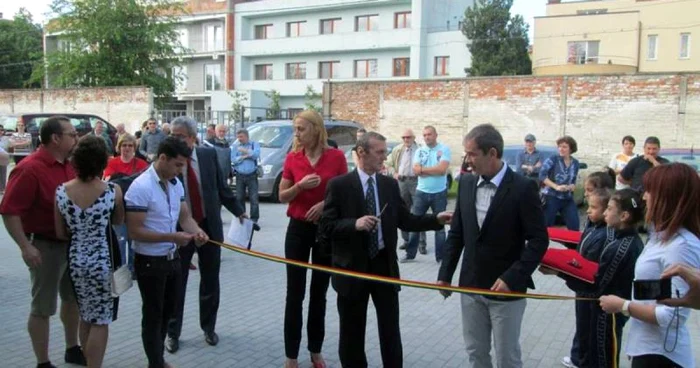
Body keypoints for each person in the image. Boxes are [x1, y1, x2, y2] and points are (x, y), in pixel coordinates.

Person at [321, 131, 450, 368]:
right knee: (351, 332)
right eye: (380, 152)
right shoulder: (339, 186)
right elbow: (326, 227)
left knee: (390, 331)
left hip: (384, 265)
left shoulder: (389, 185)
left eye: (385, 152)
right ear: (362, 153)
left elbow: (406, 220)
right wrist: (354, 224)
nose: (385, 157)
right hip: (352, 269)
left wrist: (436, 220)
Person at [437, 124, 548, 368]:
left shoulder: (522, 187)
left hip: (506, 291)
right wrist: (445, 275)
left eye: (472, 154)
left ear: (493, 153)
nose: (467, 160)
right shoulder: (465, 184)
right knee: (476, 353)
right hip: (471, 286)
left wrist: (512, 277)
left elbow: (539, 240)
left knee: (507, 358)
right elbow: (457, 234)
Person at [0, 116, 86, 368]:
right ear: (55, 138)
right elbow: (9, 210)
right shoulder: (29, 168)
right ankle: (43, 361)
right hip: (45, 247)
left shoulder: (70, 165)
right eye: (71, 134)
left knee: (72, 300)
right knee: (43, 306)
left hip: (71, 245)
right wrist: (25, 247)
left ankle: (72, 348)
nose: (76, 138)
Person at [600, 163, 700, 368]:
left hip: (661, 355)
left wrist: (622, 306)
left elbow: (672, 315)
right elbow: (655, 293)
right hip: (647, 348)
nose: (644, 197)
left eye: (650, 191)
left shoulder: (681, 245)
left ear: (669, 198)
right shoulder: (661, 236)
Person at [125, 136, 209, 368]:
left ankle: (158, 358)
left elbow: (185, 217)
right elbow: (135, 231)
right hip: (150, 262)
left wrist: (198, 232)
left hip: (172, 259)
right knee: (153, 315)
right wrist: (172, 236)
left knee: (167, 312)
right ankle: (156, 362)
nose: (181, 170)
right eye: (178, 165)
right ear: (163, 158)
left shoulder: (175, 184)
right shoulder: (141, 187)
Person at [165, 117, 247, 353]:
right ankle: (172, 333)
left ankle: (208, 328)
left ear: (192, 137)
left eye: (179, 135)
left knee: (210, 280)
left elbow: (221, 188)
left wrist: (239, 212)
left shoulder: (208, 156)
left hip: (209, 226)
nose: (174, 139)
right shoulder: (168, 159)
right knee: (176, 283)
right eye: (172, 135)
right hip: (180, 231)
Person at [277, 110, 347, 368]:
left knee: (320, 294)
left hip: (325, 231)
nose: (296, 134)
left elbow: (344, 195)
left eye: (301, 129)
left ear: (317, 129)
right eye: (295, 129)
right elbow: (282, 196)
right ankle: (291, 356)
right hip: (297, 230)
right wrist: (300, 187)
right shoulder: (292, 158)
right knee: (294, 294)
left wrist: (324, 204)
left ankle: (315, 350)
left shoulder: (336, 157)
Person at [547, 189, 643, 368]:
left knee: (602, 359)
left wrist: (558, 271)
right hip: (604, 311)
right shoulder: (625, 240)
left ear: (623, 216)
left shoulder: (620, 247)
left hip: (608, 315)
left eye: (609, 209)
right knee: (592, 354)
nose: (605, 213)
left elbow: (596, 286)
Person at [54, 135, 125, 368]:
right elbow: (118, 221)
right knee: (101, 320)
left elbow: (60, 232)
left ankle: (86, 361)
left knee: (85, 314)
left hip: (76, 260)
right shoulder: (112, 191)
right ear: (101, 161)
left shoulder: (61, 192)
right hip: (103, 260)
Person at [547, 188, 614, 368]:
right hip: (583, 294)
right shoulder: (594, 227)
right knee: (583, 331)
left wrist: (560, 271)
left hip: (591, 296)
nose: (588, 210)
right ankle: (580, 359)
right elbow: (581, 247)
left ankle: (582, 362)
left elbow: (588, 270)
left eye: (594, 207)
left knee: (590, 336)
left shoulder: (605, 235)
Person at [402, 125, 451, 262]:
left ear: (436, 135)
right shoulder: (419, 151)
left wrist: (424, 170)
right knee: (414, 223)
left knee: (440, 226)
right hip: (421, 192)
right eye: (424, 135)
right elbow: (416, 170)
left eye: (429, 134)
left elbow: (442, 170)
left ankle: (441, 257)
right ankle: (410, 254)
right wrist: (430, 169)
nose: (426, 137)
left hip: (439, 193)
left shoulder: (444, 149)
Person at [103, 133, 149, 275]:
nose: (127, 148)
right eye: (124, 145)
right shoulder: (112, 163)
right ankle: (121, 272)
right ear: (119, 147)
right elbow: (108, 183)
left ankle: (134, 270)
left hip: (136, 209)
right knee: (120, 242)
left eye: (130, 145)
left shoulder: (142, 164)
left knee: (134, 242)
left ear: (134, 147)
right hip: (118, 209)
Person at [385, 128, 427, 250]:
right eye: (403, 137)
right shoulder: (398, 149)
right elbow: (388, 163)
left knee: (419, 211)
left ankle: (421, 243)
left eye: (408, 137)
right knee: (402, 210)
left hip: (416, 182)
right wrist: (394, 173)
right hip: (402, 182)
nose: (405, 140)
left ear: (413, 138)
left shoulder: (420, 150)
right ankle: (406, 240)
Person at [539, 135, 581, 231]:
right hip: (551, 197)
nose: (561, 149)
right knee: (545, 226)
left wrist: (572, 186)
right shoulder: (553, 160)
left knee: (574, 226)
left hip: (567, 198)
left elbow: (573, 180)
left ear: (571, 149)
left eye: (564, 147)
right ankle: (541, 245)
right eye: (559, 146)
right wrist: (556, 186)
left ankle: (572, 245)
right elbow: (542, 175)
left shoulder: (575, 163)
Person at [231, 128, 260, 223]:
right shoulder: (235, 146)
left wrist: (245, 151)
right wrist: (244, 157)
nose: (239, 139)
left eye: (241, 137)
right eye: (238, 137)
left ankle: (254, 218)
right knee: (239, 197)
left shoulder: (254, 144)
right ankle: (242, 216)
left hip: (252, 174)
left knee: (253, 198)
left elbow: (256, 155)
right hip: (240, 175)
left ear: (246, 136)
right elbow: (233, 160)